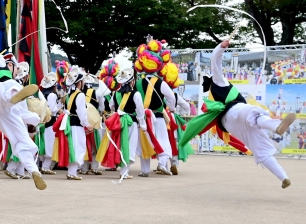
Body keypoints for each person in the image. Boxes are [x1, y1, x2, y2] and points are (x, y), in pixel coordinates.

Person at [180, 39, 295, 189]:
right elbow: (215, 60)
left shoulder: (212, 93)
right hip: (233, 113)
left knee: (260, 149)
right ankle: (276, 126)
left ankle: (284, 177)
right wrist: (221, 47)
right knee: (255, 114)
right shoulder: (220, 82)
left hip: (231, 125)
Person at [0, 8, 46, 190]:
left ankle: (33, 170)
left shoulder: (13, 83)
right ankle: (12, 97)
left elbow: (22, 114)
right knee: (12, 86)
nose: (17, 71)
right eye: (16, 67)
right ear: (10, 64)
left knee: (21, 137)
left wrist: (36, 119)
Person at [135, 39, 176, 176]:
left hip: (142, 118)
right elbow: (171, 98)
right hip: (158, 117)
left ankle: (144, 170)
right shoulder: (161, 83)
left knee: (145, 142)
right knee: (163, 140)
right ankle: (162, 164)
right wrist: (171, 108)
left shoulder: (138, 83)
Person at [101, 68, 147, 179]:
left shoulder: (116, 94)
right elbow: (140, 111)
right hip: (131, 122)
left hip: (118, 122)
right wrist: (143, 125)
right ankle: (124, 171)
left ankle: (123, 170)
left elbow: (112, 107)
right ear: (132, 81)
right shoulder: (136, 94)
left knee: (120, 145)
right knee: (130, 145)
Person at [38, 73, 59, 175]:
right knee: (50, 144)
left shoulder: (42, 93)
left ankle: (44, 165)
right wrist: (59, 109)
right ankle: (46, 166)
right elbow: (52, 109)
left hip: (43, 122)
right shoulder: (52, 95)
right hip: (51, 122)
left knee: (45, 143)